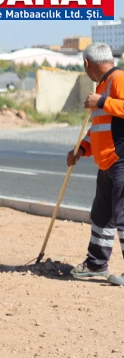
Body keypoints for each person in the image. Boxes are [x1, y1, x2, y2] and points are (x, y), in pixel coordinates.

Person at [66, 43, 124, 285]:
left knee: (123, 216)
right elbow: (100, 128)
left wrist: (102, 102)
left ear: (87, 64)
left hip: (122, 160)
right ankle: (95, 264)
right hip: (106, 162)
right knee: (101, 216)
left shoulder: (119, 79)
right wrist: (82, 148)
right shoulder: (101, 87)